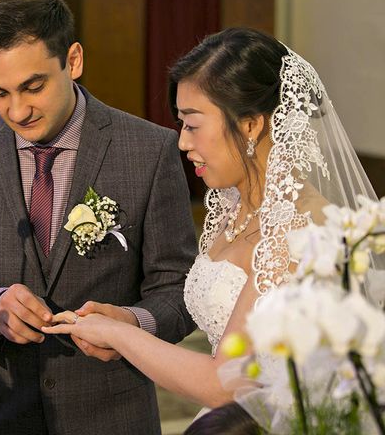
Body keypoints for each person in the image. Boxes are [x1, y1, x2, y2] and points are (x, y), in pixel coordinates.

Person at [44, 27, 380, 417]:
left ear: (251, 124)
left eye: (193, 123)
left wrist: (119, 335)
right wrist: (126, 320)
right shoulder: (234, 209)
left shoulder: (301, 231)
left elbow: (227, 384)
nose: (183, 142)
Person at [0, 0, 197, 434]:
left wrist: (132, 324)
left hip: (111, 417)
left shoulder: (149, 150)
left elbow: (179, 290)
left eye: (34, 86)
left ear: (74, 60)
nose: (18, 110)